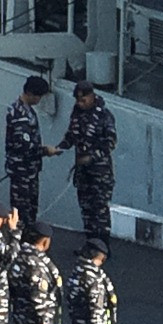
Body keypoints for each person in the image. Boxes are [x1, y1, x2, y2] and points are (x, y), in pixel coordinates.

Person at [50, 82, 117, 245]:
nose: (80, 103)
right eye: (78, 100)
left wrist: (92, 157)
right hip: (83, 172)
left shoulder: (104, 116)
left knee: (99, 209)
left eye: (84, 99)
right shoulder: (77, 114)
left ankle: (102, 247)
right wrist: (59, 148)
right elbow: (71, 136)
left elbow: (111, 143)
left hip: (100, 173)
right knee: (86, 209)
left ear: (92, 96)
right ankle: (90, 244)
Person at [4, 74, 51, 231]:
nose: (39, 100)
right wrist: (45, 151)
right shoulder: (19, 114)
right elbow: (24, 145)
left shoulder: (27, 111)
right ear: (30, 93)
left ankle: (28, 240)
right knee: (21, 213)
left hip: (30, 170)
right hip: (21, 171)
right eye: (38, 96)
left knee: (31, 210)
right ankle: (18, 244)